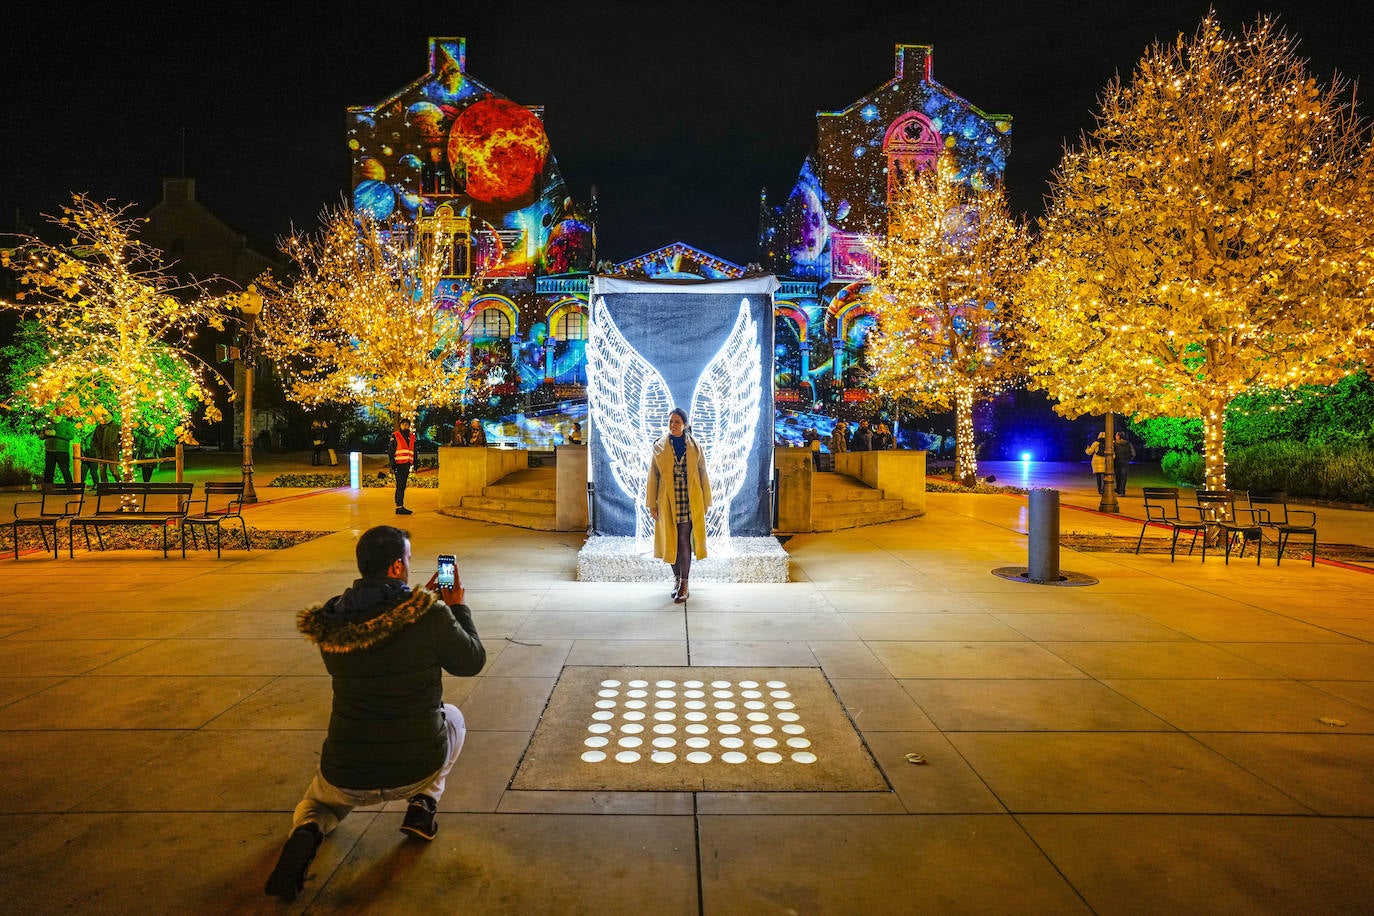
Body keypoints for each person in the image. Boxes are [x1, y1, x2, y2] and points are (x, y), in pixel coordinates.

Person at [265, 525, 485, 901]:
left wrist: (421, 604)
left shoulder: (332, 619)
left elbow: (383, 626)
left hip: (348, 768)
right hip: (417, 764)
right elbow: (471, 661)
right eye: (409, 562)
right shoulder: (430, 615)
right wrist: (455, 607)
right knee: (455, 718)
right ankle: (423, 803)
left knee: (316, 805)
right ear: (398, 567)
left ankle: (307, 833)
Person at [646, 407, 711, 604]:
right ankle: (676, 579)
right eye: (671, 421)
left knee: (684, 540)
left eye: (677, 422)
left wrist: (706, 501)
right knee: (671, 541)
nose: (673, 425)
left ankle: (684, 583)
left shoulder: (695, 446)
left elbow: (703, 473)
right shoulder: (659, 446)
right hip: (667, 501)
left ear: (685, 424)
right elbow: (653, 477)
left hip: (690, 500)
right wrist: (652, 504)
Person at [388, 417, 417, 515]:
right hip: (398, 465)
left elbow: (414, 451)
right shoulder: (395, 435)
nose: (405, 426)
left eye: (407, 424)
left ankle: (400, 506)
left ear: (409, 426)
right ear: (400, 425)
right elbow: (391, 451)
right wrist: (393, 465)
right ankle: (399, 506)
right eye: (403, 424)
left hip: (407, 464)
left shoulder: (411, 436)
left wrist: (415, 464)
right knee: (400, 486)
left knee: (403, 485)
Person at [1113, 431, 1135, 497]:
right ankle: (1122, 491)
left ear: (1119, 436)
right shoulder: (1128, 444)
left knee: (1118, 476)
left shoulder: (1114, 444)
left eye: (1116, 435)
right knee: (1123, 477)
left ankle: (1118, 489)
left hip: (1117, 462)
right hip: (1125, 462)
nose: (1115, 437)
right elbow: (1133, 454)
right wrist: (1129, 459)